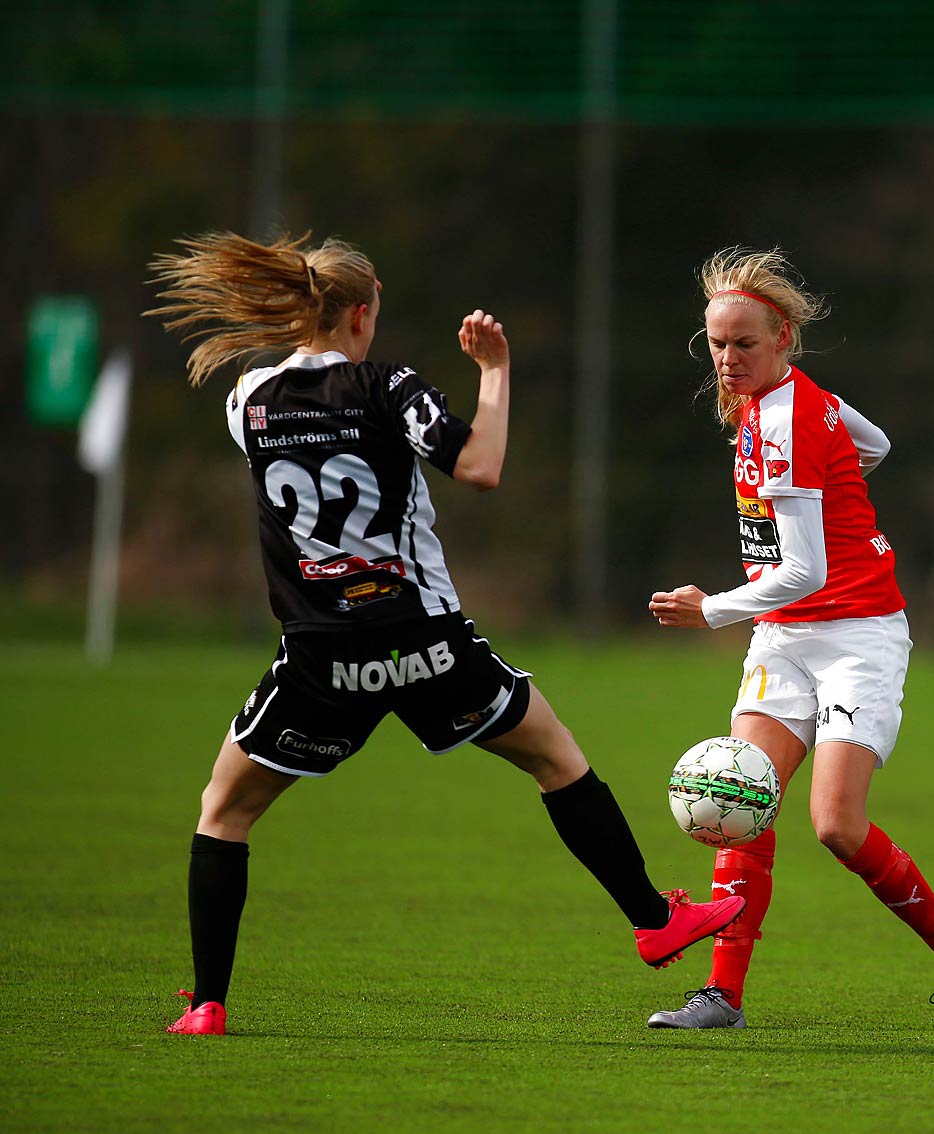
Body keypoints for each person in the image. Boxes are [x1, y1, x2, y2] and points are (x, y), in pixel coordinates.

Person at [145, 231, 744, 1036]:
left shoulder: (247, 398)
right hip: (422, 640)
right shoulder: (387, 384)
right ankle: (651, 918)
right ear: (361, 312)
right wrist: (494, 372)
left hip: (322, 655)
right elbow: (480, 465)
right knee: (554, 756)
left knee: (224, 813)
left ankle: (209, 1003)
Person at [644, 247, 934, 1032]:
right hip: (786, 637)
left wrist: (712, 610)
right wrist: (837, 482)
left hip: (856, 637)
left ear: (783, 340)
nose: (728, 359)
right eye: (716, 343)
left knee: (836, 825)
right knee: (743, 797)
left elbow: (804, 572)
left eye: (745, 344)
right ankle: (722, 995)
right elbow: (870, 445)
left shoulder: (785, 420)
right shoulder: (793, 404)